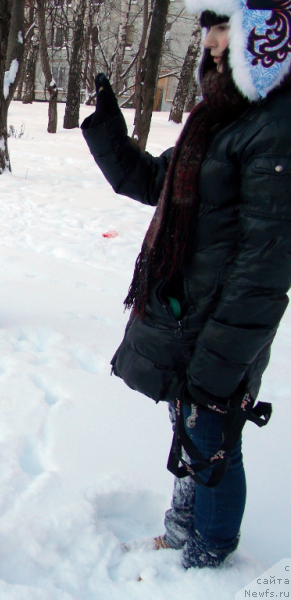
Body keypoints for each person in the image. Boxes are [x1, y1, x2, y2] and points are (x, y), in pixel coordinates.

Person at [81, 0, 291, 569]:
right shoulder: (219, 119)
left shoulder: (275, 128)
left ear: (265, 41)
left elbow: (266, 269)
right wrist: (108, 133)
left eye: (226, 32)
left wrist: (219, 364)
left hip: (223, 333)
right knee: (194, 434)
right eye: (209, 34)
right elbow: (154, 180)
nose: (213, 46)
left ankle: (210, 556)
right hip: (188, 320)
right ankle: (181, 534)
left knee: (215, 443)